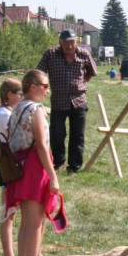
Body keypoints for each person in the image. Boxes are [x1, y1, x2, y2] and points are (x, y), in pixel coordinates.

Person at [5, 70, 62, 256]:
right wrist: (53, 175)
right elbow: (41, 145)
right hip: (34, 168)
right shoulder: (35, 109)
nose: (47, 91)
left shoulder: (18, 107)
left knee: (27, 223)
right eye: (45, 87)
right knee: (35, 223)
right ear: (33, 87)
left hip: (21, 165)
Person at [36, 29, 97, 174]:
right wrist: (44, 87)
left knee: (77, 135)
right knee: (57, 134)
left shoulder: (84, 54)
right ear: (60, 43)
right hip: (59, 101)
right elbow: (39, 73)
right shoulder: (51, 54)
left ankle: (74, 167)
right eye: (66, 43)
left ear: (76, 42)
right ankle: (58, 163)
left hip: (79, 101)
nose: (70, 46)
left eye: (72, 43)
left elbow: (92, 72)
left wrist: (81, 83)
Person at [0, 77, 23, 256]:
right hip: (8, 166)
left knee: (12, 212)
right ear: (9, 94)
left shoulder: (7, 112)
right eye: (19, 93)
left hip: (11, 164)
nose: (21, 96)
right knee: (9, 212)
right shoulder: (4, 114)